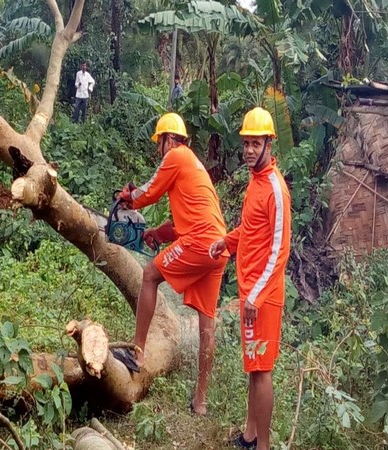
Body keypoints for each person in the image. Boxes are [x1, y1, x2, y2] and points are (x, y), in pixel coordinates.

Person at [118, 112, 229, 416]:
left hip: (201, 240)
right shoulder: (193, 164)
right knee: (207, 321)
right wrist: (157, 233)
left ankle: (137, 355)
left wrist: (128, 197)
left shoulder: (176, 156)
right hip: (218, 246)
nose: (159, 148)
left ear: (168, 138)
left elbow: (149, 191)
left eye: (160, 142)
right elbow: (183, 222)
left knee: (150, 275)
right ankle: (201, 402)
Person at [209, 107, 291, 450]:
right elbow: (252, 230)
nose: (249, 150)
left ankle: (264, 445)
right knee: (254, 368)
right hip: (251, 291)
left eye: (256, 143)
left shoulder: (275, 188)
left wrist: (256, 295)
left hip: (264, 296)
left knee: (262, 371)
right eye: (246, 143)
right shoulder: (255, 182)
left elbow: (279, 248)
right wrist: (226, 242)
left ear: (269, 144)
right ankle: (249, 435)